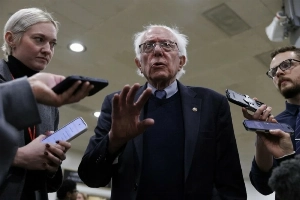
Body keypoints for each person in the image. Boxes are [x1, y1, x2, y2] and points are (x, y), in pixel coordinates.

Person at [78, 24, 247, 200]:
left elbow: (230, 182)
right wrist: (114, 141)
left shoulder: (212, 104)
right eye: (148, 46)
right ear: (139, 64)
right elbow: (91, 178)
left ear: (181, 61)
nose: (157, 51)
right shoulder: (119, 104)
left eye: (167, 45)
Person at [0, 8, 92, 199]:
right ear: (10, 39)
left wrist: (51, 162)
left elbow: (47, 182)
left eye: (53, 44)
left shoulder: (49, 101)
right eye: (39, 39)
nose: (48, 50)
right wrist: (18, 157)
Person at [242, 46, 300, 197]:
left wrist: (288, 156)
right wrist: (262, 136)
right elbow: (263, 186)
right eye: (273, 72)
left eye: (287, 65)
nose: (279, 73)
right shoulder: (276, 124)